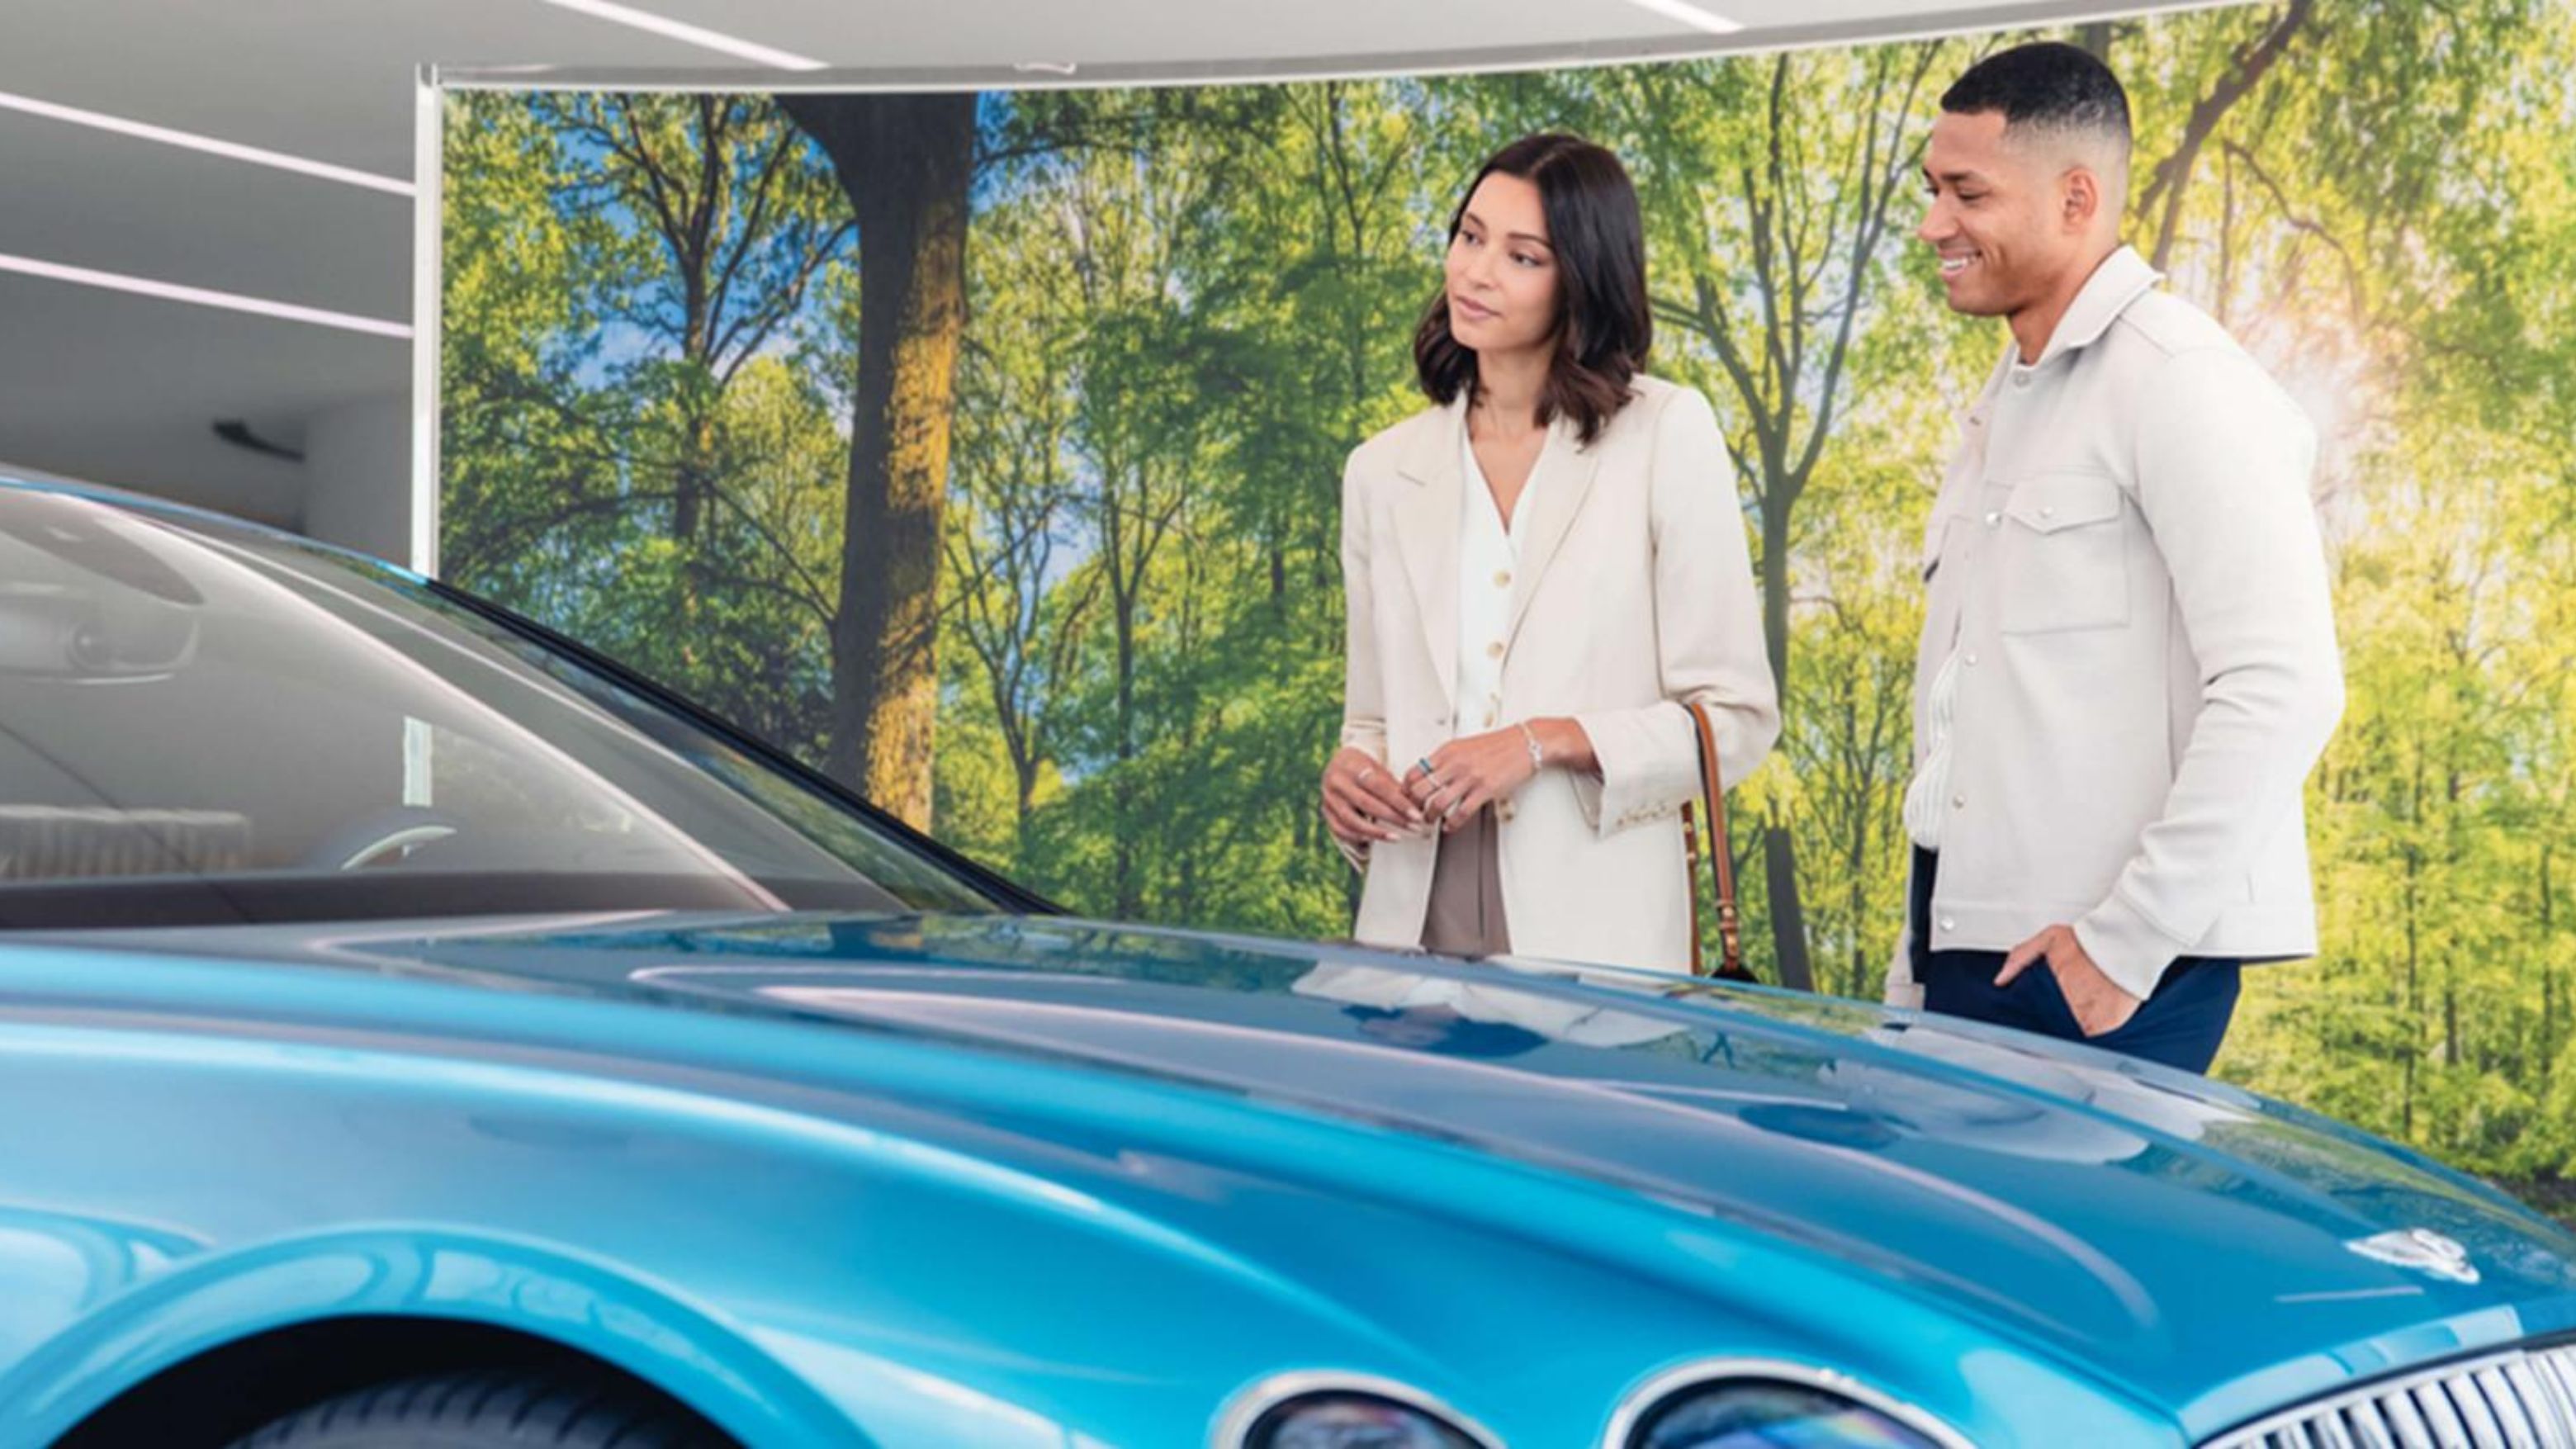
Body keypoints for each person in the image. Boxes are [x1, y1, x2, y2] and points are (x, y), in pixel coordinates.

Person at [1891, 43, 2344, 1072]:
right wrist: (1915, 960)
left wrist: (2122, 945)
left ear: (2077, 199)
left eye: (1967, 193)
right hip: (1966, 950)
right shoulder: (2004, 403)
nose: (1933, 225)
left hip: (2095, 975)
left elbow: (2286, 684)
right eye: (1932, 190)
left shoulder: (2182, 380)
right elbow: (1968, 717)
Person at [1319, 132, 1778, 972]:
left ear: (1583, 278)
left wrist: (1541, 741)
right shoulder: (1380, 471)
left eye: (1522, 256)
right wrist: (1351, 778)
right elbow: (1372, 721)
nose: (1477, 271)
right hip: (1407, 917)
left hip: (1596, 926)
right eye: (1469, 236)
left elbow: (1736, 722)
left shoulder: (1665, 435)